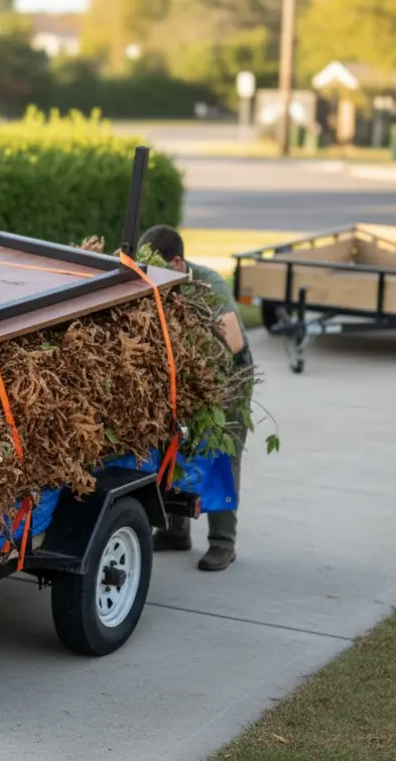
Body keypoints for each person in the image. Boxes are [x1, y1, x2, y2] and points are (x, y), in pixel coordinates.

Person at [137, 224, 253, 572]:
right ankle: (176, 531)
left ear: (176, 262)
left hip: (229, 377)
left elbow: (231, 345)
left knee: (221, 453)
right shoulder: (159, 285)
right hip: (186, 378)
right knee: (174, 448)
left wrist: (197, 373)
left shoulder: (209, 286)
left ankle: (222, 544)